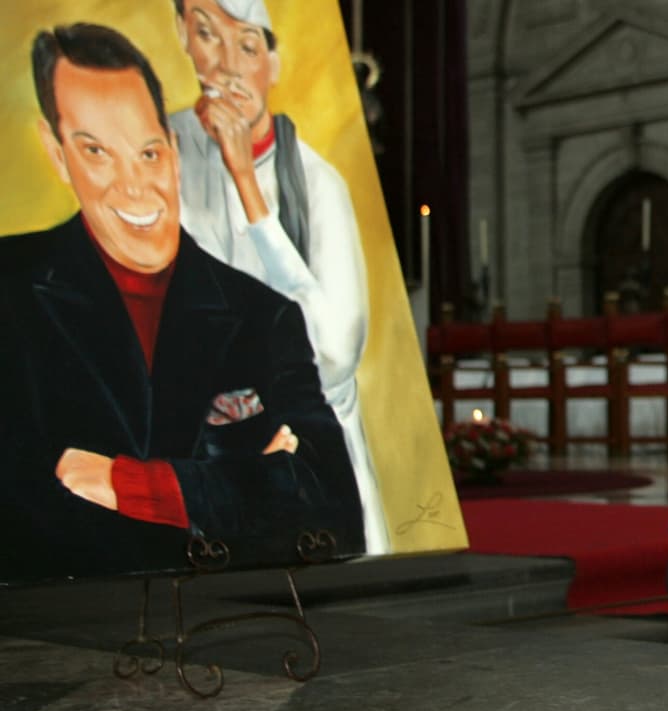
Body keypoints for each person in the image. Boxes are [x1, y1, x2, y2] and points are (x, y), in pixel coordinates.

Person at [0, 22, 364, 584]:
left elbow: (335, 512)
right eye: (96, 152)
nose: (134, 187)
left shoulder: (263, 315)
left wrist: (140, 487)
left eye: (148, 153)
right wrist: (250, 481)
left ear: (172, 150)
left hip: (228, 631)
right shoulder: (11, 287)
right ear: (57, 154)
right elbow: (19, 513)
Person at [169, 0, 387, 554]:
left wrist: (246, 181)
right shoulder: (159, 152)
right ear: (184, 41)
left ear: (273, 63)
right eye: (205, 34)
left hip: (305, 460)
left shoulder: (318, 181)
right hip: (199, 452)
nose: (225, 63)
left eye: (246, 44)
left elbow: (334, 353)